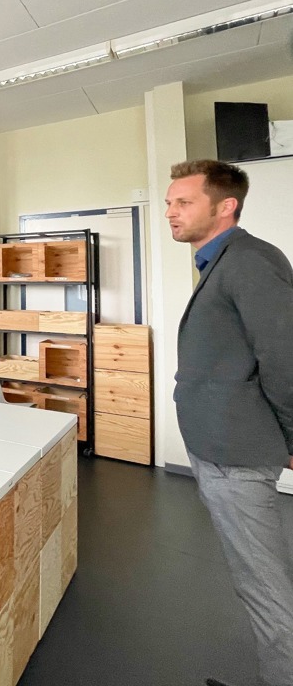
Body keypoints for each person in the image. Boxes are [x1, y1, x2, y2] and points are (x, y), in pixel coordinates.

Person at [165, 159, 293, 686]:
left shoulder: (251, 260)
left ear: (226, 206)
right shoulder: (219, 262)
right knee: (256, 580)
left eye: (183, 202)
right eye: (169, 202)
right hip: (218, 447)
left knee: (265, 589)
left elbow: (284, 356)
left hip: (236, 452)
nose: (170, 212)